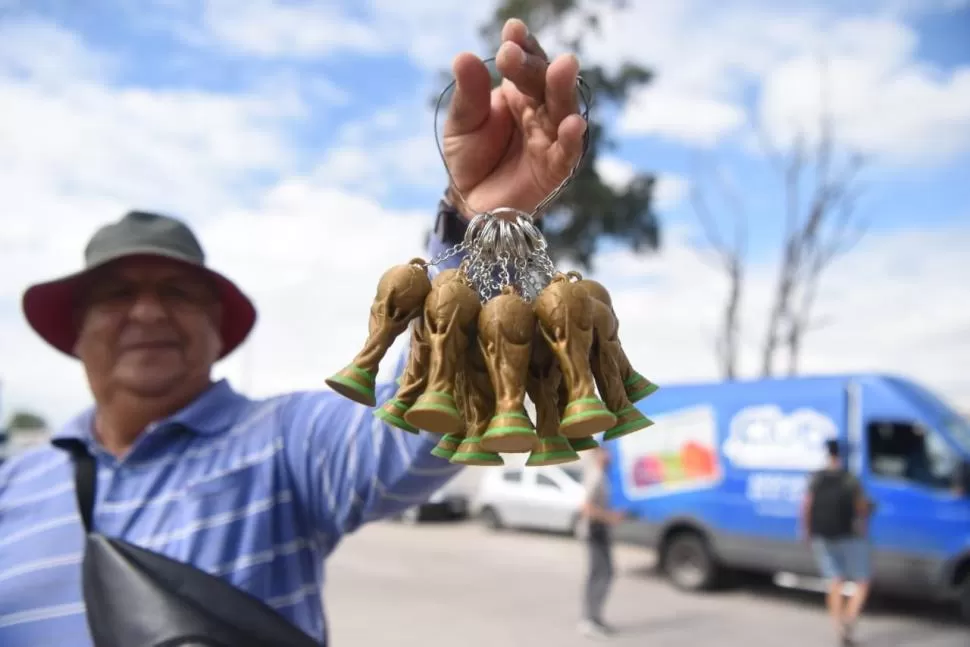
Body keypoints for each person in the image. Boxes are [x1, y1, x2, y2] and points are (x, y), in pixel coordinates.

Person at [0, 18, 589, 646]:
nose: (148, 313)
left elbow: (418, 422)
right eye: (118, 295)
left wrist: (482, 229)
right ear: (76, 330)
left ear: (216, 326)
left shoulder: (286, 444)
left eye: (177, 292)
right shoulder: (15, 486)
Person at [800, 439, 873, 646]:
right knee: (862, 581)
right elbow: (860, 507)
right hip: (848, 535)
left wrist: (807, 532)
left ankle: (838, 627)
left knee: (834, 580)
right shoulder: (849, 478)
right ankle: (849, 618)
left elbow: (806, 506)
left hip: (822, 534)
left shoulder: (816, 478)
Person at [579, 444, 626, 639]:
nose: (611, 455)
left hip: (599, 531)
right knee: (601, 574)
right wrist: (611, 518)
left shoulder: (602, 475)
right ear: (599, 454)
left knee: (602, 573)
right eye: (607, 452)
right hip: (594, 531)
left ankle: (593, 618)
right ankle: (590, 620)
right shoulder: (596, 476)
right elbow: (586, 507)